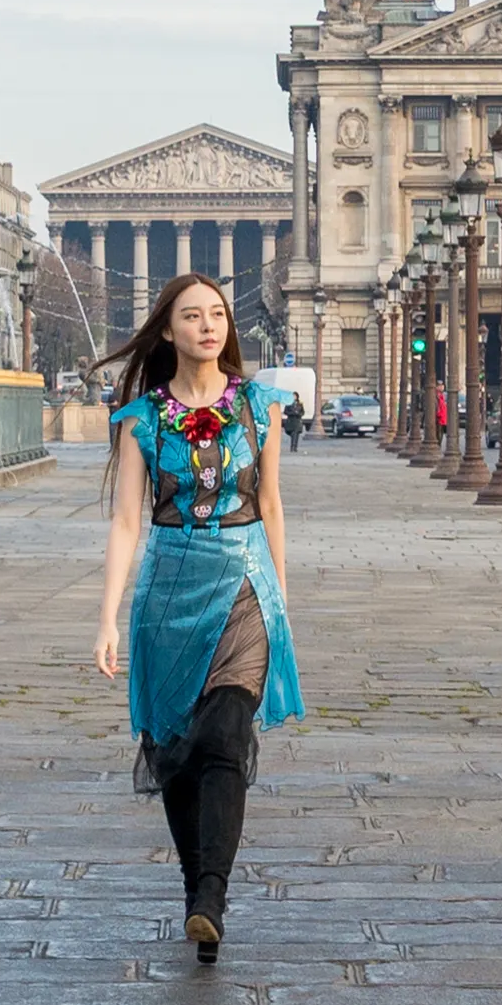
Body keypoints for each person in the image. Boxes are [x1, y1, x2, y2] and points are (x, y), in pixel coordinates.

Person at [93, 274, 304, 964]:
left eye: (217, 313)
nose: (209, 325)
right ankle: (196, 893)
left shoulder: (259, 406)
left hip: (244, 581)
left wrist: (280, 598)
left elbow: (270, 504)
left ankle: (212, 893)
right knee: (177, 752)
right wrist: (108, 618)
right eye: (192, 315)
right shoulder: (142, 418)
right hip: (169, 589)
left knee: (225, 731)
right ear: (168, 330)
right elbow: (127, 521)